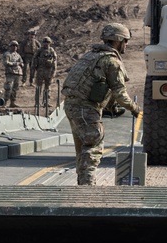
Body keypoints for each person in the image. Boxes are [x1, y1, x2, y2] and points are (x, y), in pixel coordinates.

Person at [60, 22, 140, 186]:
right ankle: (88, 184)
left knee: (83, 147)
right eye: (125, 40)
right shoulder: (111, 62)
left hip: (72, 106)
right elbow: (120, 93)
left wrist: (110, 105)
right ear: (118, 40)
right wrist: (135, 108)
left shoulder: (90, 56)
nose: (126, 44)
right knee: (94, 143)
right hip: (86, 108)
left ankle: (82, 182)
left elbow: (99, 84)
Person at [33, 36, 58, 109]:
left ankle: (46, 102)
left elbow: (54, 62)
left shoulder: (52, 51)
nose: (46, 44)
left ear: (50, 43)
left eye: (47, 42)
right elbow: (34, 61)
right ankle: (37, 102)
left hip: (49, 72)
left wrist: (53, 73)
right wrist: (33, 71)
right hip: (40, 72)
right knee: (38, 88)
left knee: (48, 88)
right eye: (44, 42)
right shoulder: (39, 50)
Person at [2, 40, 24, 107]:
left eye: (16, 46)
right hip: (10, 73)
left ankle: (12, 102)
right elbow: (5, 63)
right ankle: (5, 102)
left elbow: (22, 62)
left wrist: (21, 64)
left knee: (15, 88)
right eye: (13, 46)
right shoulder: (7, 54)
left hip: (17, 73)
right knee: (8, 87)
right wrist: (14, 64)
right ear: (10, 46)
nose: (14, 47)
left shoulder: (18, 55)